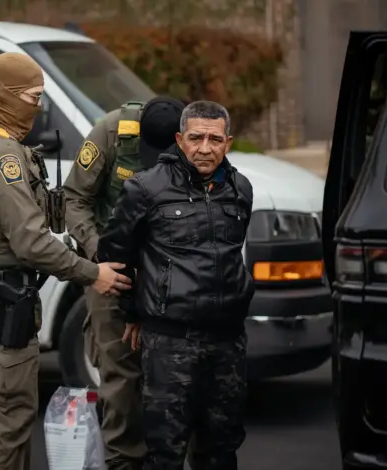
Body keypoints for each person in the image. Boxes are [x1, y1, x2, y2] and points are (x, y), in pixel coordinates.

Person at [0, 51, 132, 470]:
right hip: (0, 301)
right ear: (5, 93)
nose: (37, 106)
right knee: (10, 420)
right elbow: (32, 243)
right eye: (32, 96)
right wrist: (92, 273)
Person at [97, 100, 255, 470]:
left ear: (228, 143)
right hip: (170, 342)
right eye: (196, 138)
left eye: (215, 139)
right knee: (165, 451)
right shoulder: (145, 188)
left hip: (227, 341)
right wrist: (133, 311)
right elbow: (115, 254)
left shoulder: (240, 188)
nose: (205, 148)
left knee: (222, 448)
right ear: (180, 140)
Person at [63, 96, 185, 470]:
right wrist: (100, 252)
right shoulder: (111, 133)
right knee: (119, 373)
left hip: (167, 273)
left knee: (173, 374)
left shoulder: (195, 139)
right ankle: (123, 460)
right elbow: (74, 199)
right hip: (112, 269)